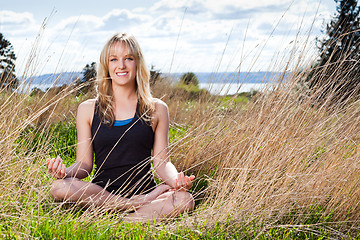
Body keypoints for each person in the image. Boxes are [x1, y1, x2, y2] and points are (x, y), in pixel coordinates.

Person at [47, 32, 195, 221]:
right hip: (102, 193)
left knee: (184, 199)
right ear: (106, 66)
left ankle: (119, 221)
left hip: (145, 192)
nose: (121, 65)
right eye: (114, 59)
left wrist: (177, 181)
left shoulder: (157, 108)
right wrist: (64, 173)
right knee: (59, 186)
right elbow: (84, 165)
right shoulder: (87, 109)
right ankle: (131, 208)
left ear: (137, 63)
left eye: (128, 59)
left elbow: (162, 163)